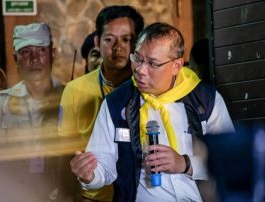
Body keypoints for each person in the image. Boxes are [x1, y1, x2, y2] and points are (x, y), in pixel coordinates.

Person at [70, 22, 235, 202]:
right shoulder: (116, 104)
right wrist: (89, 175)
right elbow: (103, 167)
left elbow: (230, 161)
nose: (140, 70)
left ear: (176, 66)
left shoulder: (206, 100)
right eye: (137, 58)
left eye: (152, 63)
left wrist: (185, 164)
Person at [58, 5, 144, 202]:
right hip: (93, 196)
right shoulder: (74, 90)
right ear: (97, 41)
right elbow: (64, 153)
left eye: (126, 39)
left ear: (138, 42)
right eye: (109, 39)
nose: (118, 47)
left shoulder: (148, 87)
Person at [0, 22, 63, 201]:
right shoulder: (1, 103)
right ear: (15, 57)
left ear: (52, 53)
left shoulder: (70, 97)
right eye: (26, 52)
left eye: (41, 50)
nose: (34, 59)